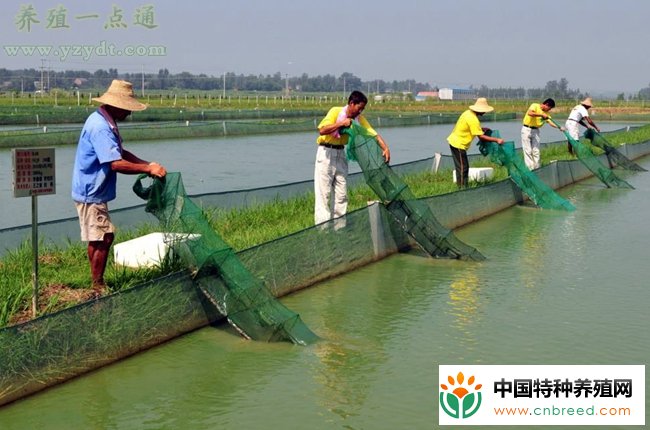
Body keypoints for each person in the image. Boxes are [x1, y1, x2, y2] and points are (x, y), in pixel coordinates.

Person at [71, 80, 167, 294]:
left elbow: (120, 153)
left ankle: (97, 282)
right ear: (116, 105)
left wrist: (147, 165)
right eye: (127, 108)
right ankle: (97, 286)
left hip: (93, 190)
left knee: (99, 237)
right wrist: (148, 169)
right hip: (91, 191)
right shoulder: (100, 127)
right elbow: (114, 163)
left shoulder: (106, 122)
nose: (129, 114)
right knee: (103, 237)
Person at [314, 90, 390, 226]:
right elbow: (322, 130)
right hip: (326, 153)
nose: (360, 112)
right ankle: (323, 230)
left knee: (341, 195)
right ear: (351, 103)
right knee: (323, 194)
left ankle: (339, 229)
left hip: (340, 154)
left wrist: (385, 148)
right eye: (359, 108)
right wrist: (341, 124)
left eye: (362, 109)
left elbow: (373, 134)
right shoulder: (335, 111)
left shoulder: (358, 120)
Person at [447, 97, 504, 188]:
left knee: (462, 167)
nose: (484, 112)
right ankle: (462, 189)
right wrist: (497, 140)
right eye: (484, 111)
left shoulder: (468, 113)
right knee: (463, 168)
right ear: (479, 110)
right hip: (458, 144)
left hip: (455, 141)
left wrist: (481, 129)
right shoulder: (473, 119)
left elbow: (470, 128)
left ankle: (463, 186)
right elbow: (481, 137)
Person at [520, 98, 565, 170]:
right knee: (528, 151)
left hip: (536, 131)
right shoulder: (535, 105)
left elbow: (551, 122)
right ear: (546, 104)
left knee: (536, 151)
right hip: (527, 129)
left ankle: (537, 168)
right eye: (549, 108)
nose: (549, 110)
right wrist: (541, 115)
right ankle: (530, 169)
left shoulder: (547, 114)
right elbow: (530, 113)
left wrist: (559, 127)